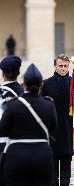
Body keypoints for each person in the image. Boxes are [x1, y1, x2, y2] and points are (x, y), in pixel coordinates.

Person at [0, 63, 57, 186]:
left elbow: (3, 130)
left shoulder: (12, 105)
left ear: (24, 84)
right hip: (42, 156)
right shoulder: (49, 105)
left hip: (17, 156)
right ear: (41, 84)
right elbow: (53, 129)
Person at [41, 54, 73, 186]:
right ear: (55, 66)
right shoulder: (46, 84)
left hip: (68, 131)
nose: (63, 68)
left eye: (66, 66)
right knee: (52, 175)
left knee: (66, 171)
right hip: (52, 132)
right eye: (60, 66)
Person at [0, 55, 24, 186]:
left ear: (3, 73)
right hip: (24, 148)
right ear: (19, 72)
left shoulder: (1, 93)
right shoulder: (27, 94)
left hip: (3, 148)